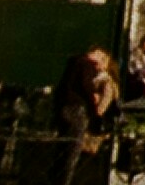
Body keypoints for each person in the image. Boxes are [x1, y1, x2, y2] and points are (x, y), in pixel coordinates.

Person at [50, 45, 118, 185]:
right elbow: (93, 94)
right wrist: (94, 104)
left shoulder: (75, 64)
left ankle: (58, 179)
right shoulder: (88, 67)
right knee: (73, 152)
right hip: (81, 113)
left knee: (64, 149)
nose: (100, 62)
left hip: (68, 109)